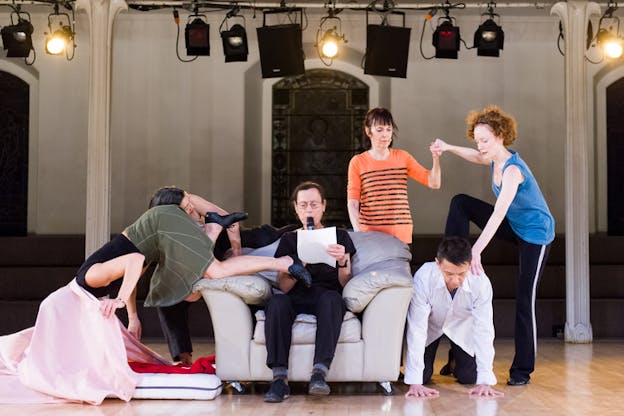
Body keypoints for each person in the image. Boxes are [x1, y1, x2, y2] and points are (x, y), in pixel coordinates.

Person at [0, 188, 311, 404]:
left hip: (160, 221)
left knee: (214, 270)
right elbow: (134, 270)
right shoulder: (92, 287)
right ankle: (217, 228)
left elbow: (133, 263)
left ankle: (282, 262)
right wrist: (133, 317)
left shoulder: (88, 279)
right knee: (179, 283)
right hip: (157, 230)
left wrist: (119, 301)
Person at [431, 105, 555, 386]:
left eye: (485, 140)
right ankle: (453, 256)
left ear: (500, 136)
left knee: (525, 299)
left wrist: (476, 251)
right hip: (516, 226)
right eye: (477, 140)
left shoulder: (513, 171)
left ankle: (522, 371)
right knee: (460, 202)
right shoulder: (492, 159)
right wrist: (448, 147)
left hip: (536, 235)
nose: (480, 146)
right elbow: (475, 156)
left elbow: (499, 213)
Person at [150, 187, 298, 364]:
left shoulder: (187, 198)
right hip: (205, 252)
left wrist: (237, 254)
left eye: (190, 204)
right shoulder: (165, 236)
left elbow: (230, 222)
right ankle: (182, 358)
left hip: (231, 242)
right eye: (186, 209)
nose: (191, 208)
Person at [263, 181, 356, 403]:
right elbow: (284, 286)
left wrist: (343, 261)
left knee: (333, 299)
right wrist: (299, 264)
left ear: (324, 206)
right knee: (276, 303)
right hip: (296, 295)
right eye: (303, 205)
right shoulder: (288, 240)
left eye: (313, 204)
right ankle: (278, 378)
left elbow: (346, 281)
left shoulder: (340, 236)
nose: (308, 210)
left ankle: (319, 373)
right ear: (295, 208)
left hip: (326, 294)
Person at [404, 237, 503, 398]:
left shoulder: (481, 282)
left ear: (470, 265)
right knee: (422, 377)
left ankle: (453, 361)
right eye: (449, 273)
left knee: (469, 377)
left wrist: (484, 381)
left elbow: (484, 330)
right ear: (438, 264)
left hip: (462, 326)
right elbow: (417, 328)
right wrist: (415, 383)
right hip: (431, 325)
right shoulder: (424, 276)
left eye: (461, 274)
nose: (455, 280)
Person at [347, 107, 442, 244]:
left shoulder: (403, 157)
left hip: (400, 234)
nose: (385, 134)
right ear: (368, 131)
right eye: (379, 130)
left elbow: (434, 183)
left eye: (388, 129)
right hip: (370, 235)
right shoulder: (358, 162)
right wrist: (359, 234)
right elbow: (353, 203)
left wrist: (436, 158)